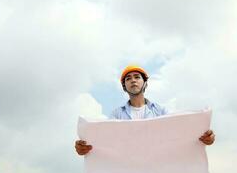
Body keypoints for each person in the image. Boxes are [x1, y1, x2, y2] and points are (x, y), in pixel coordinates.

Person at [75, 65, 215, 155]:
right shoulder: (116, 115)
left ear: (145, 83)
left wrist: (203, 138)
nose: (133, 80)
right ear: (124, 87)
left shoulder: (161, 111)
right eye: (128, 79)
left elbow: (178, 135)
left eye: (137, 77)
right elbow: (106, 142)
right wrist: (84, 147)